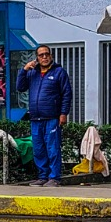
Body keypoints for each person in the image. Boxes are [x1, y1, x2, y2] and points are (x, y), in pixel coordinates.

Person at [16, 44, 73, 187]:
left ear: (51, 56)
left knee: (52, 148)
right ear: (37, 58)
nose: (44, 57)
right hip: (35, 118)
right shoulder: (32, 73)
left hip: (52, 118)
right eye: (41, 55)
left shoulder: (59, 72)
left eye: (47, 54)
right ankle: (42, 176)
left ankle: (54, 178)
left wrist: (63, 114)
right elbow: (20, 87)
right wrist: (24, 70)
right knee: (39, 149)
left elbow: (67, 94)